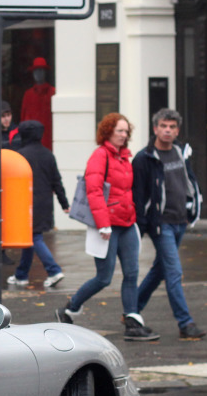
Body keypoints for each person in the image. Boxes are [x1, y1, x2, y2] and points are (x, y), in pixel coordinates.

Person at [55, 114, 157, 341]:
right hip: (107, 227)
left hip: (127, 224)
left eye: (126, 131)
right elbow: (94, 191)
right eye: (120, 131)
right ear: (108, 131)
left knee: (132, 274)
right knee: (104, 277)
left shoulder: (124, 158)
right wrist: (103, 224)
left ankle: (132, 322)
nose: (124, 135)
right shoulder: (100, 156)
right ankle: (70, 308)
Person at [132, 109, 206, 340]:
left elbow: (188, 181)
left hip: (180, 220)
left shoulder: (181, 153)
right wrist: (143, 225)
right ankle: (185, 323)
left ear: (177, 131)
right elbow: (138, 194)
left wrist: (191, 208)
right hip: (160, 224)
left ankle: (132, 310)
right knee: (173, 271)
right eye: (163, 126)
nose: (167, 130)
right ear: (155, 129)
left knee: (160, 270)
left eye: (172, 127)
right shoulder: (145, 158)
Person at [8, 119, 69, 289]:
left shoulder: (20, 155)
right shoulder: (48, 154)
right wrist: (64, 203)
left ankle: (54, 270)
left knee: (34, 237)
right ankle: (21, 275)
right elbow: (57, 181)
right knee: (30, 238)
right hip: (44, 204)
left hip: (25, 204)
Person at [20, 57, 55, 149]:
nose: (38, 74)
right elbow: (24, 118)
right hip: (33, 141)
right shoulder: (28, 94)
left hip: (50, 139)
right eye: (35, 71)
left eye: (41, 70)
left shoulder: (53, 93)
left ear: (45, 72)